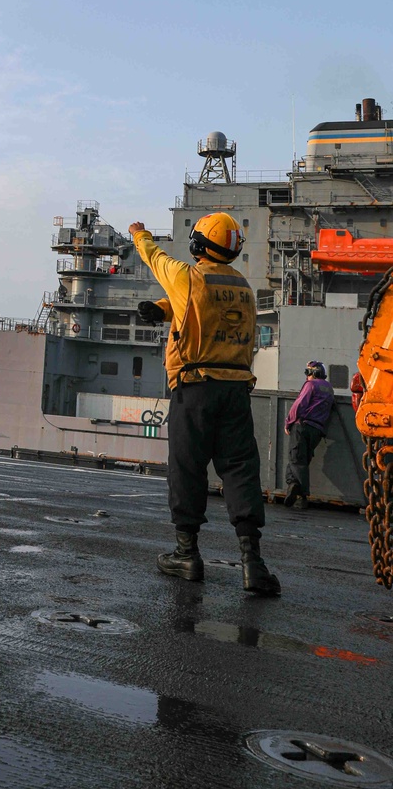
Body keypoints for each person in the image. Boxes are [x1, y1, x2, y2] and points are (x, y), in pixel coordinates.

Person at [129, 212, 280, 597]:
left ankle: (186, 554)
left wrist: (139, 233)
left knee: (188, 467)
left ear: (198, 244)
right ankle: (254, 564)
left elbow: (155, 258)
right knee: (240, 470)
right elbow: (209, 309)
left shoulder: (189, 277)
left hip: (195, 388)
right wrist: (163, 310)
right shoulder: (243, 287)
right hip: (235, 391)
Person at [283, 362, 335, 509]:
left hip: (302, 425)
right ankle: (292, 485)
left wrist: (288, 422)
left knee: (296, 459)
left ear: (313, 372)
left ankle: (302, 495)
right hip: (317, 430)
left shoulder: (311, 385)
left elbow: (299, 405)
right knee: (301, 459)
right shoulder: (329, 388)